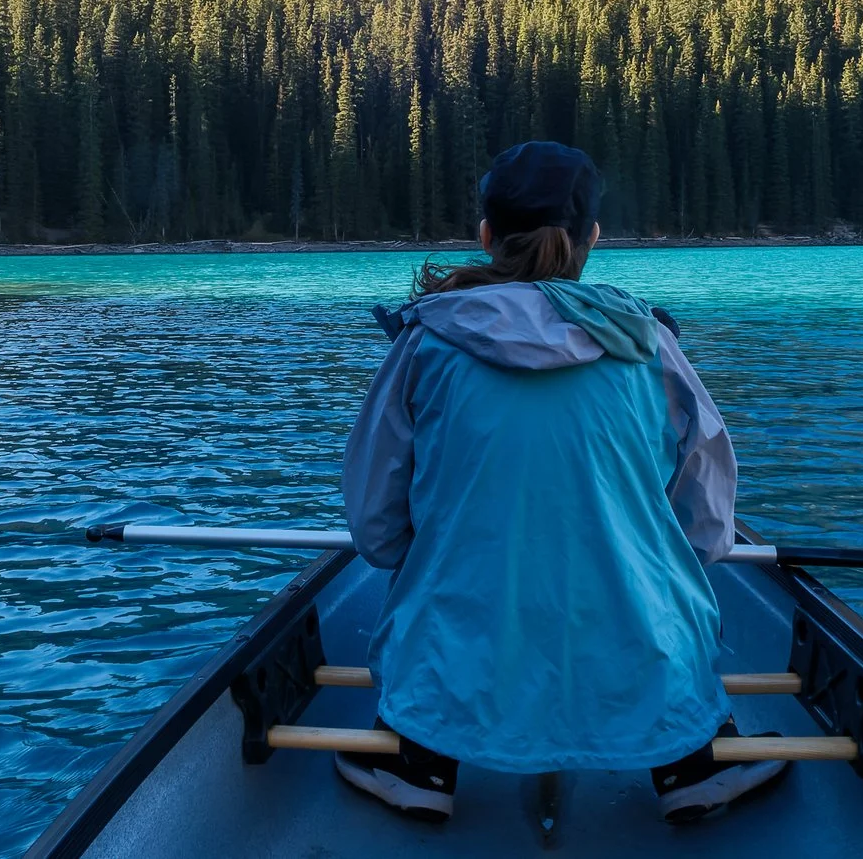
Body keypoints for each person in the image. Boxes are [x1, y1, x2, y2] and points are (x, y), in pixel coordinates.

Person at [335, 140, 786, 824]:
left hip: (458, 662)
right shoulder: (650, 344)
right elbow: (709, 524)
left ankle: (420, 761)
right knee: (651, 592)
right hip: (637, 647)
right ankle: (690, 761)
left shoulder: (423, 343)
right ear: (592, 238)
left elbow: (374, 526)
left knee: (448, 595)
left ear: (486, 234)